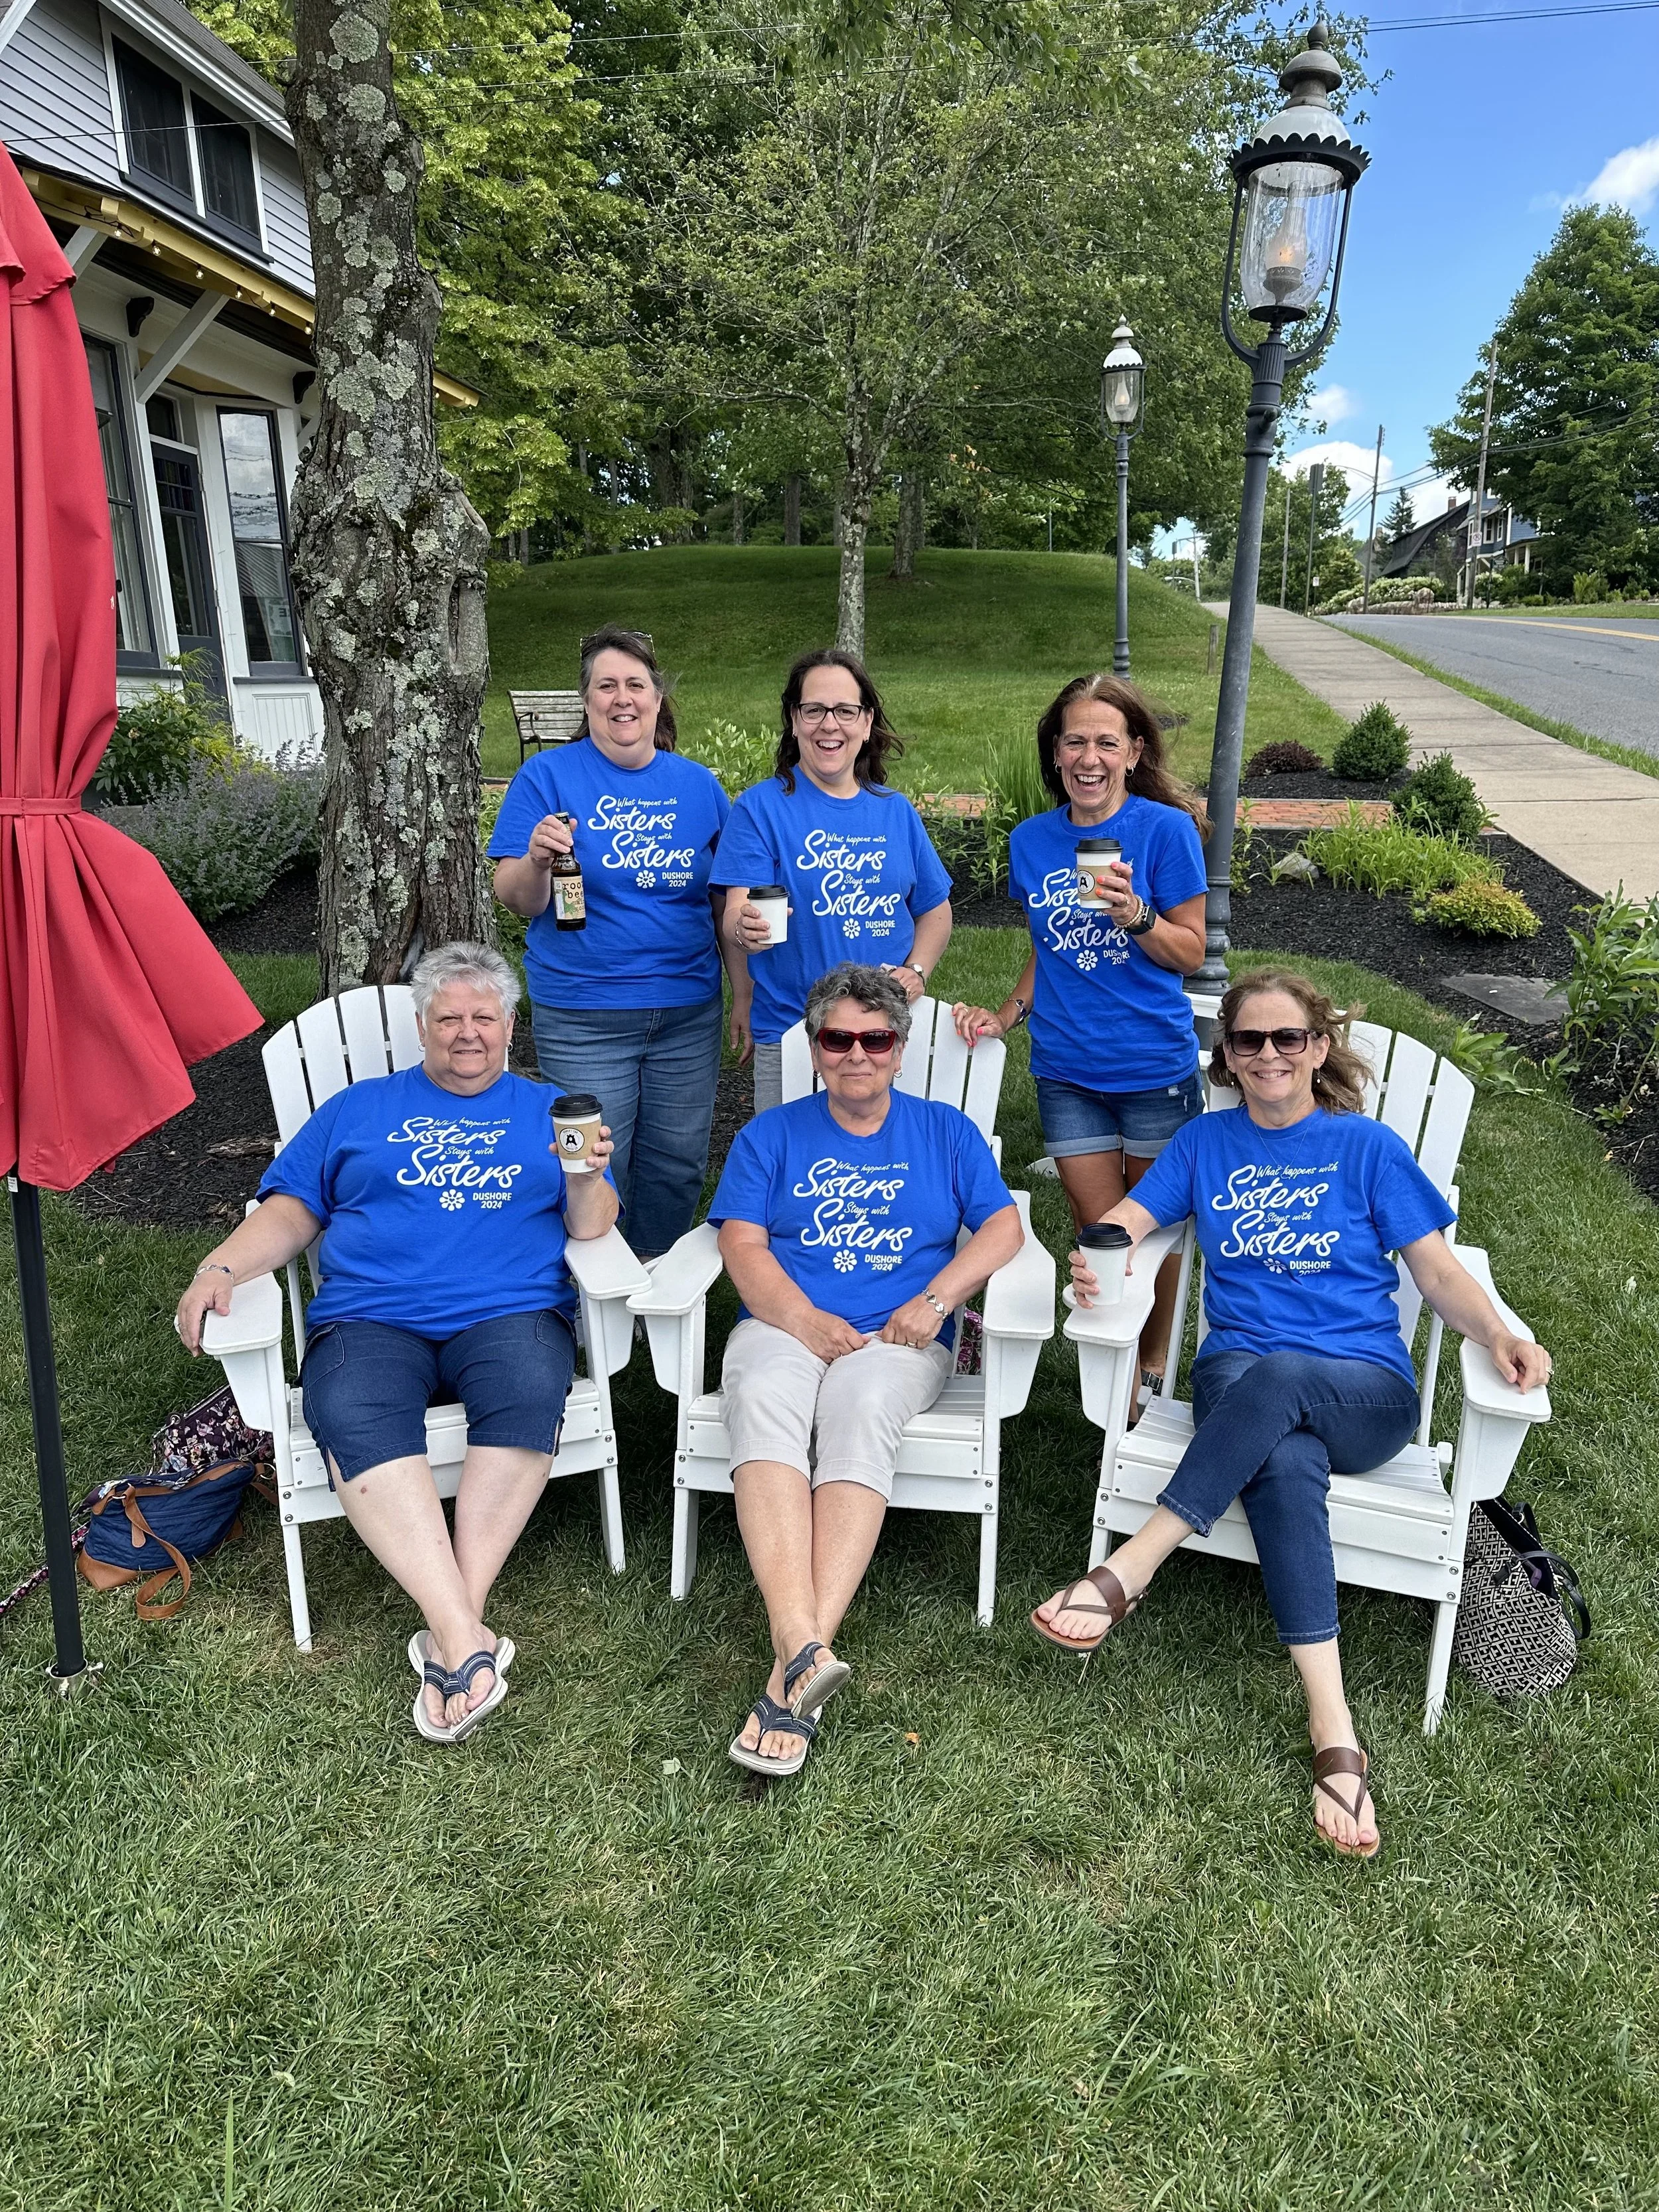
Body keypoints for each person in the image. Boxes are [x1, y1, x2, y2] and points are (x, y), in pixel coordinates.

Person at [1033, 968, 1553, 1859]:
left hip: (1366, 1392)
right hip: (1242, 1380)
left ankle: (1134, 1566)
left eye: (1287, 1039)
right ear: (1227, 1056)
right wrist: (1099, 1252)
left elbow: (1433, 1270)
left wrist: (1500, 1332)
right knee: (1282, 1457)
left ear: (1318, 1048)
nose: (1268, 1055)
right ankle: (1335, 1731)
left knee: (1283, 1385)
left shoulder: (1367, 1149)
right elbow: (1127, 1218)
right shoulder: (1204, 1144)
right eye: (1248, 1041)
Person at [173, 943, 620, 1745]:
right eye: (449, 1018)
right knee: (349, 1403)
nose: (467, 1032)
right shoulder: (357, 1109)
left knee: (526, 1389)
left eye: (484, 1017)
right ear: (422, 1027)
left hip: (509, 1312)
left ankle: (455, 1633)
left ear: (510, 1026)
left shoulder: (549, 1113)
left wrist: (585, 1177)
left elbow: (591, 1228)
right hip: (373, 1315)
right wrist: (222, 1264)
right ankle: (465, 1642)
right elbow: (290, 1211)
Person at [707, 963, 1023, 1776]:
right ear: (814, 1049)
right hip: (785, 1321)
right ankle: (802, 1646)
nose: (856, 1053)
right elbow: (741, 1243)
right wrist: (801, 1320)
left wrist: (936, 1297)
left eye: (873, 1038)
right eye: (837, 1038)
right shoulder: (769, 1137)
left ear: (899, 1047)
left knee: (858, 1401)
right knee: (763, 1391)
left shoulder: (945, 1132)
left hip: (899, 1335)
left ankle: (789, 1675)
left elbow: (1000, 1231)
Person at [953, 674, 1208, 1396]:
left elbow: (1190, 951)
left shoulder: (1164, 831)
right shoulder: (1031, 841)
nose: (1089, 756)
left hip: (1152, 1066)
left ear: (1133, 751)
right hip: (1066, 1072)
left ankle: (1147, 1368)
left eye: (1106, 741)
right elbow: (1049, 944)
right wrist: (1009, 1012)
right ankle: (1118, 1377)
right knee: (1099, 1235)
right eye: (1074, 741)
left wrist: (1138, 917)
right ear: (1055, 753)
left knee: (1153, 1239)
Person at [490, 625, 746, 1258]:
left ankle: (652, 1276)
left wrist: (742, 993)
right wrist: (538, 860)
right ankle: (594, 1296)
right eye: (607, 685)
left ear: (657, 700)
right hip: (583, 1012)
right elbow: (516, 897)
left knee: (678, 1162)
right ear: (587, 700)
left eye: (636, 685)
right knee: (597, 1163)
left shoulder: (698, 787)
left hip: (686, 1013)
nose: (622, 698)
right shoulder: (545, 778)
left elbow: (725, 902)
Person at [714, 648, 954, 1114]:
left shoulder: (895, 811)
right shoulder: (760, 810)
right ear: (794, 718)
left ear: (866, 723)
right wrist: (744, 929)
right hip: (793, 1033)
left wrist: (918, 971)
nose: (830, 724)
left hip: (885, 1037)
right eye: (815, 710)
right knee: (788, 1172)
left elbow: (935, 910)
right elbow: (734, 913)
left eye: (845, 711)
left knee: (884, 1167)